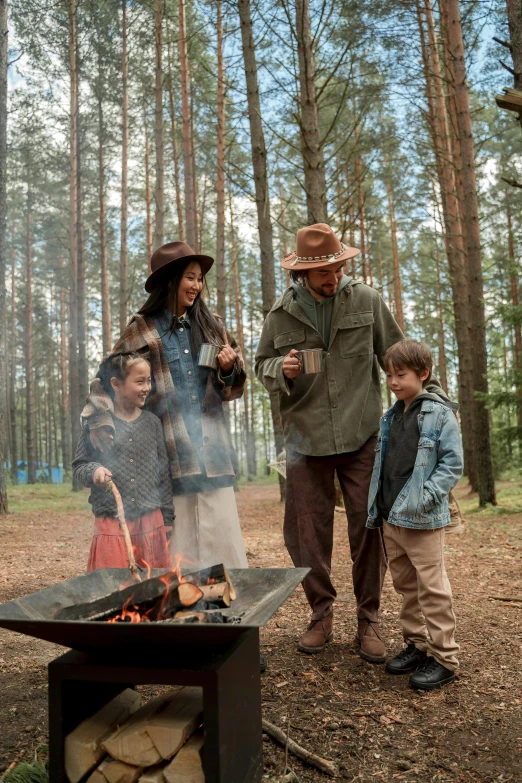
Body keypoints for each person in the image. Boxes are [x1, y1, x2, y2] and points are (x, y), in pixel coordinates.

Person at [255, 223, 452, 662]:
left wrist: (433, 397)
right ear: (303, 273)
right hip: (304, 440)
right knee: (306, 534)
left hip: (362, 434)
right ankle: (320, 613)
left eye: (338, 266)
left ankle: (369, 620)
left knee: (369, 528)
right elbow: (260, 364)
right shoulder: (280, 314)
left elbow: (401, 353)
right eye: (324, 270)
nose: (334, 276)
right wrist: (279, 370)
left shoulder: (366, 300)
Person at [81, 241, 249, 574]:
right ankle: (184, 621)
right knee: (179, 560)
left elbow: (234, 389)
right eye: (190, 277)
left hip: (214, 457)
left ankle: (228, 619)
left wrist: (229, 369)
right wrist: (100, 419)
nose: (197, 286)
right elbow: (103, 380)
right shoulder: (140, 329)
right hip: (170, 459)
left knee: (225, 557)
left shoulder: (212, 326)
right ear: (170, 281)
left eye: (200, 279)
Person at [367, 341, 463, 689]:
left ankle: (445, 658)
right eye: (389, 375)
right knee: (407, 587)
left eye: (401, 375)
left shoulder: (439, 414)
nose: (393, 381)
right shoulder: (391, 416)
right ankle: (418, 645)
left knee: (432, 589)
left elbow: (452, 465)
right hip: (392, 518)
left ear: (423, 374)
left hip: (422, 519)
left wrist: (425, 496)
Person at [73, 352, 173, 571]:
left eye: (148, 381)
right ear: (116, 384)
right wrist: (94, 470)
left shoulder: (152, 422)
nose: (147, 387)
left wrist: (167, 518)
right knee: (112, 586)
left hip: (150, 520)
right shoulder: (98, 426)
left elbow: (163, 474)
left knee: (152, 588)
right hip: (112, 520)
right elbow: (79, 466)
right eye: (139, 381)